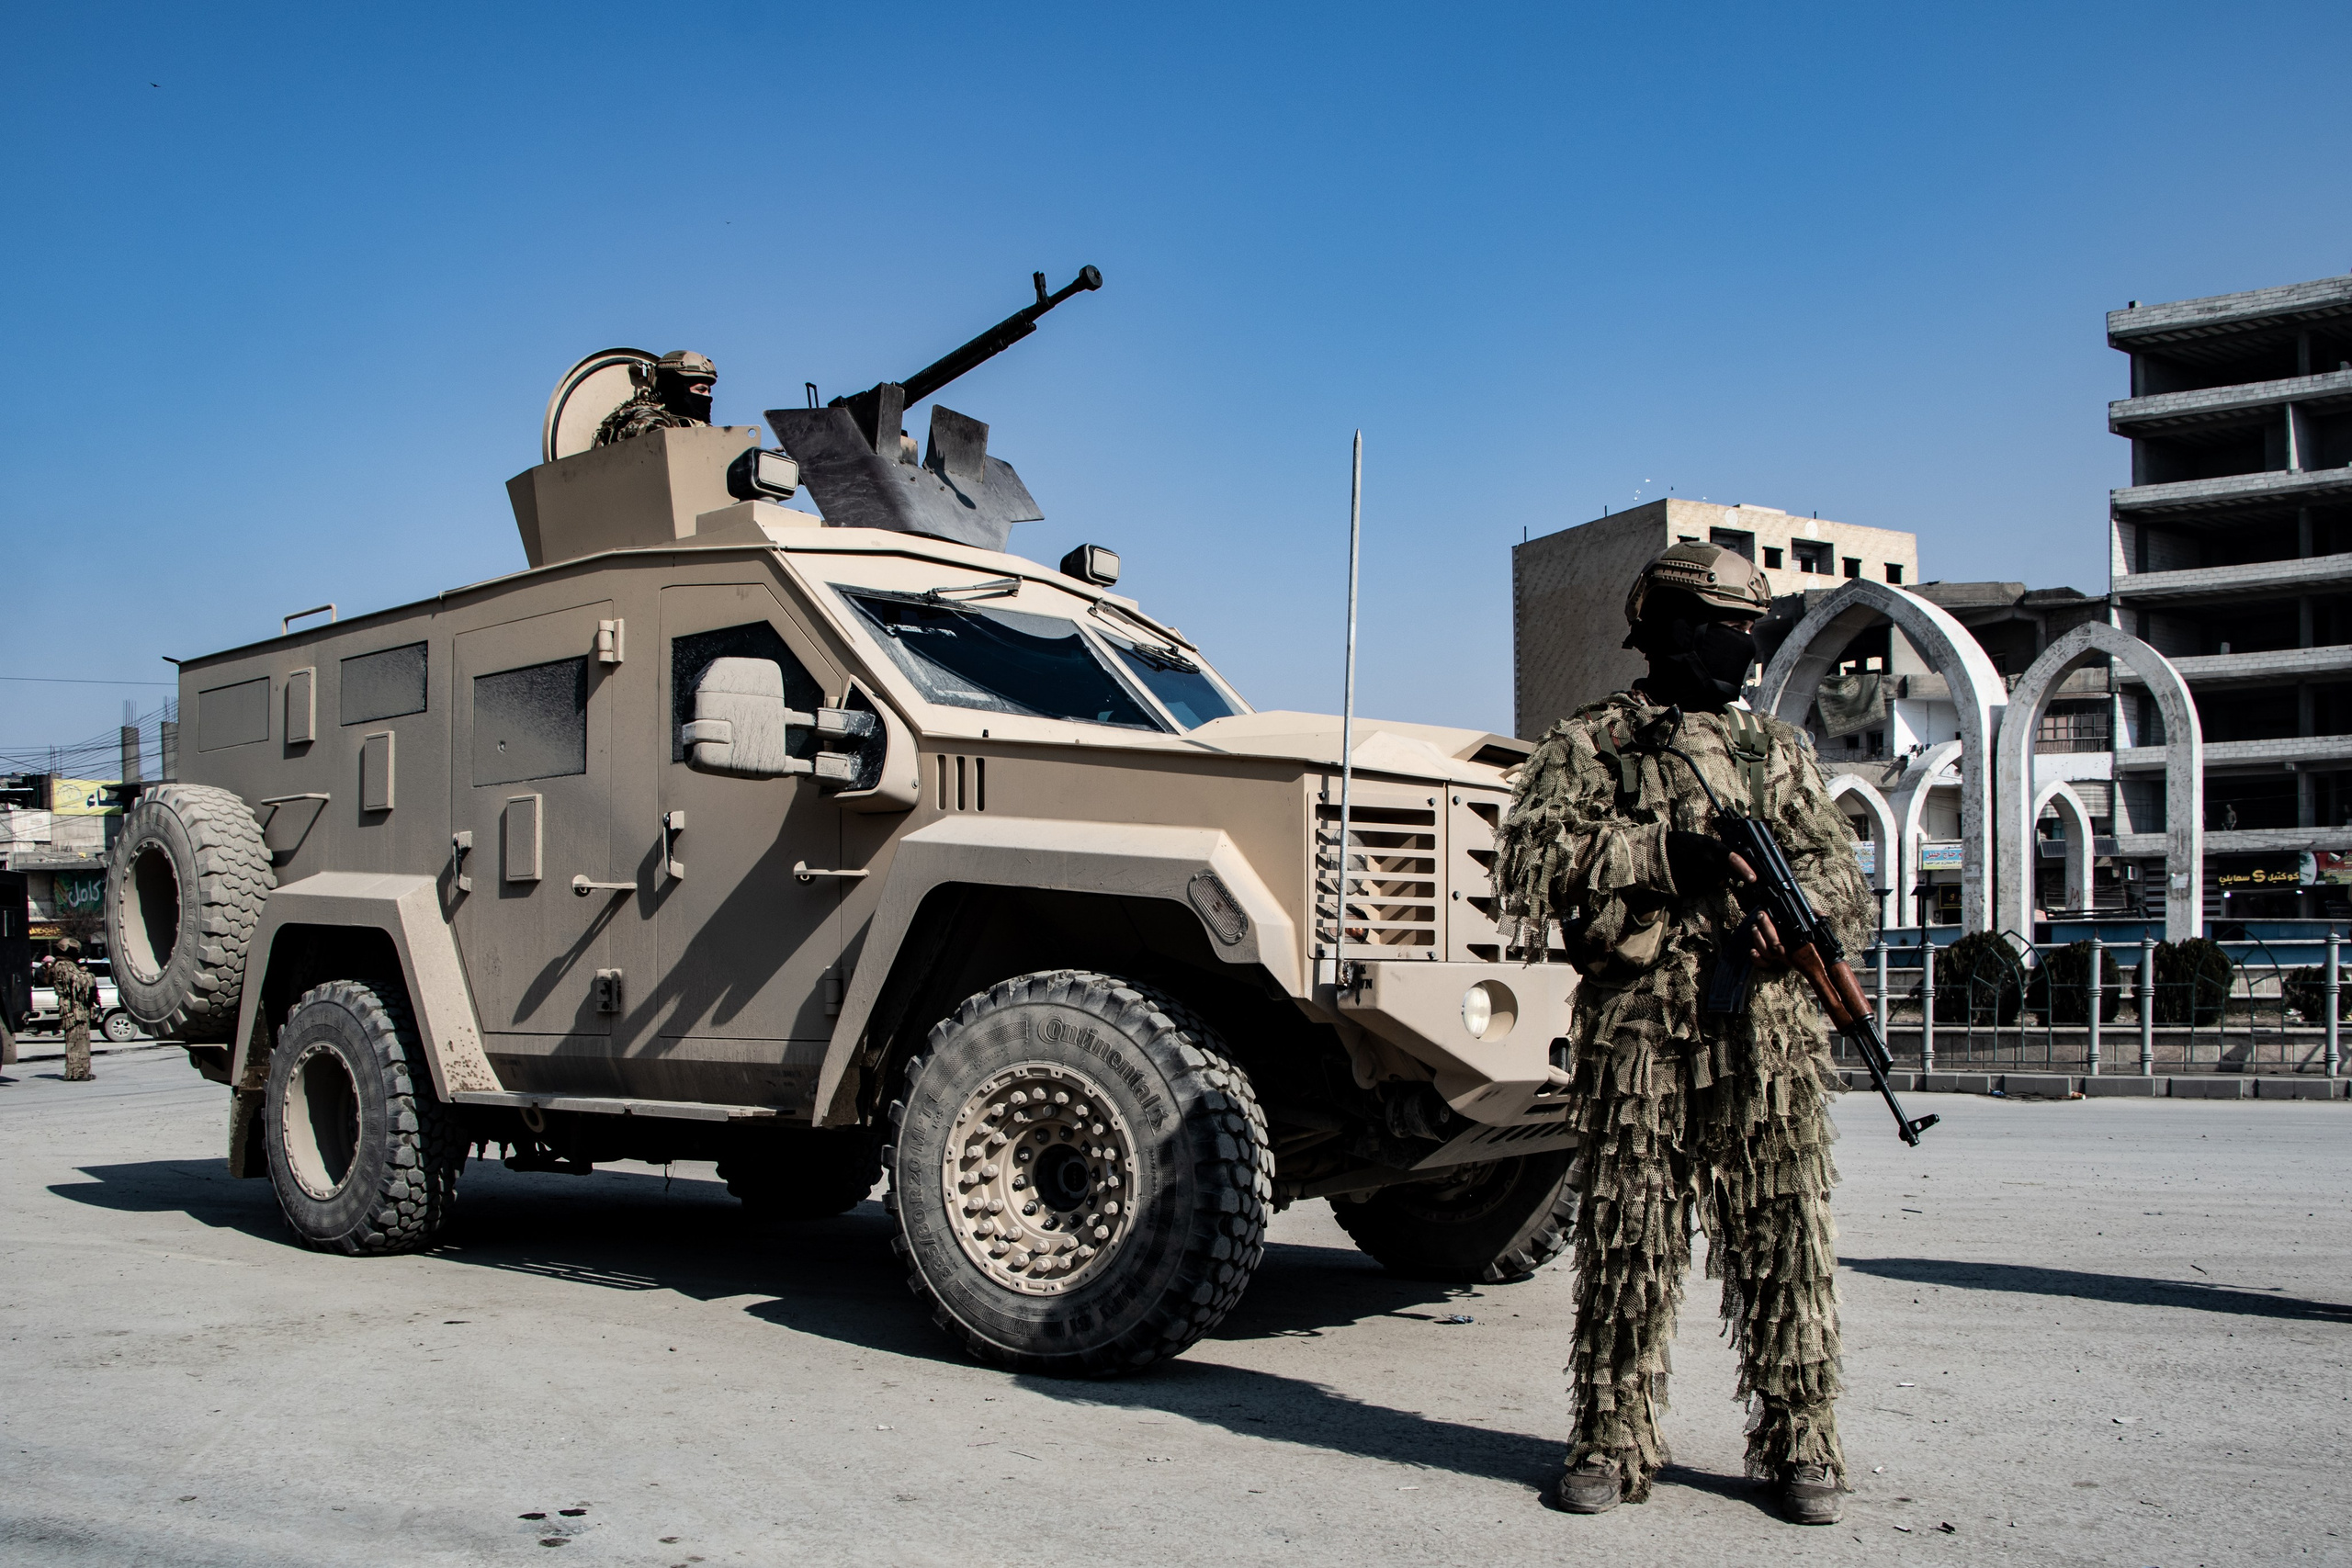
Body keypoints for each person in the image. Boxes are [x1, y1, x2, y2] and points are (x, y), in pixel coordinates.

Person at [1493, 541, 1873, 1527]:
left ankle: (1801, 1444)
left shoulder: (1776, 752)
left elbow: (1842, 883)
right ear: (1666, 625)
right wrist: (1669, 852)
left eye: (1752, 630)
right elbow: (1532, 862)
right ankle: (1611, 1439)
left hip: (1768, 1040)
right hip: (1637, 1037)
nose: (1743, 649)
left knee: (1782, 1240)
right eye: (1724, 628)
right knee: (1630, 1243)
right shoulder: (1593, 744)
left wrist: (1790, 921)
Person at [594, 350, 718, 446]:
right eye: (701, 390)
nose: (707, 396)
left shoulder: (694, 426)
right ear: (677, 390)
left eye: (708, 391)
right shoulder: (646, 420)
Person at [50, 937, 97, 1083]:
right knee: (76, 1041)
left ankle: (80, 1072)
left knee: (80, 1040)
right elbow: (78, 981)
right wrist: (88, 974)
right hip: (73, 1009)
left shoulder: (65, 965)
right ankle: (75, 1072)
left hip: (76, 1008)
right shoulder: (63, 965)